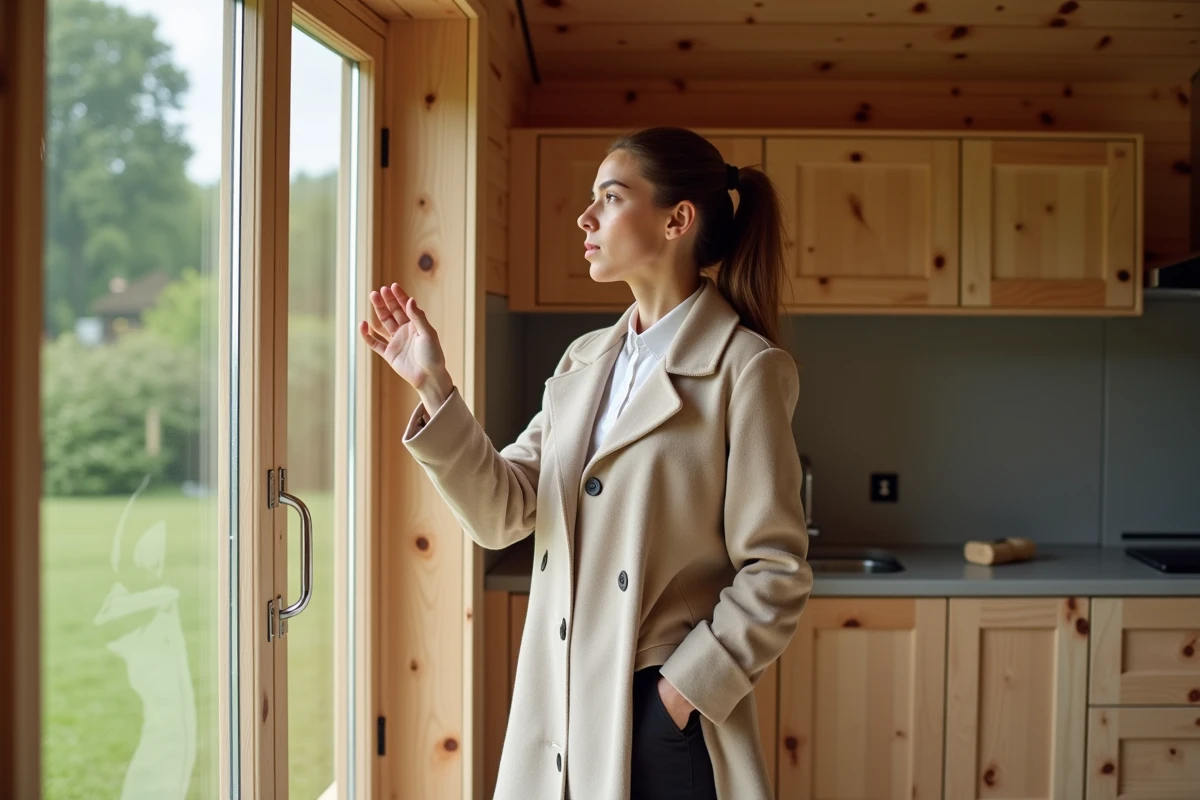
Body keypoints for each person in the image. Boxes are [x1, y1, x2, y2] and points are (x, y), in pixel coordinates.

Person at [360, 126, 813, 800]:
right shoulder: (584, 360)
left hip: (657, 710)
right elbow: (503, 511)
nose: (585, 216)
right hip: (560, 695)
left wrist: (678, 696)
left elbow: (775, 569)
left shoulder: (745, 369)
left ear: (676, 219)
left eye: (610, 197)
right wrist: (435, 387)